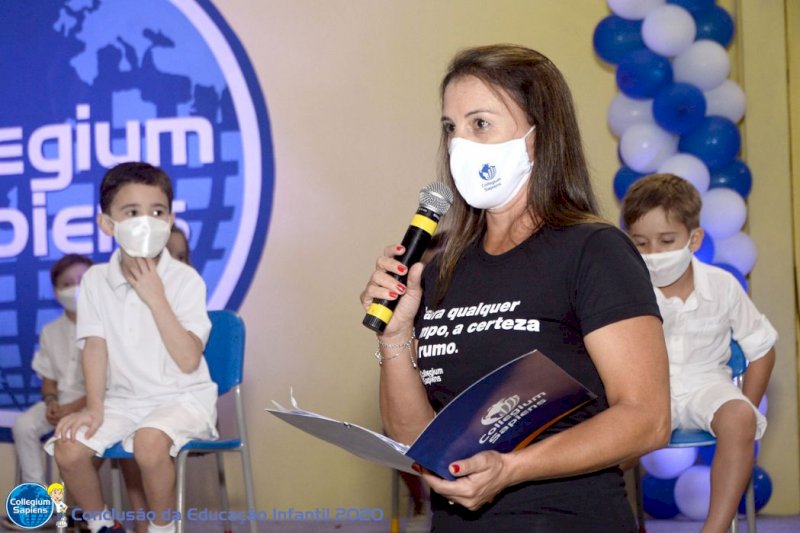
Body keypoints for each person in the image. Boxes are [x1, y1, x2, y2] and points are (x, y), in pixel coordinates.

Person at [360, 44, 670, 531]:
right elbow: (414, 438)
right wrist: (394, 335)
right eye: (451, 128)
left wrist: (512, 469)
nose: (460, 143)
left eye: (479, 123)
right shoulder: (439, 269)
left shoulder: (593, 250)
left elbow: (647, 419)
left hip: (566, 519)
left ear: (537, 136)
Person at [50, 162, 217, 533]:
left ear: (171, 218)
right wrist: (94, 408)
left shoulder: (185, 280)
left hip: (182, 398)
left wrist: (157, 298)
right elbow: (94, 346)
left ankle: (161, 528)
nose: (147, 221)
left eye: (157, 212)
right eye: (131, 212)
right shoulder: (94, 280)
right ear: (108, 224)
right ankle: (101, 524)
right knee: (69, 446)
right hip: (123, 401)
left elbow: (189, 359)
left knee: (149, 441)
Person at [621, 173, 776, 532]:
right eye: (641, 243)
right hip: (646, 391)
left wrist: (747, 409)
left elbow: (762, 348)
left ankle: (716, 527)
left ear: (694, 239)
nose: (654, 254)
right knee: (604, 441)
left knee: (740, 418)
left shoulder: (722, 285)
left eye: (666, 240)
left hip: (708, 384)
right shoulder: (625, 286)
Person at [1, 254, 92, 531]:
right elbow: (48, 379)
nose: (74, 289)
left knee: (73, 438)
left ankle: (78, 510)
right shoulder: (51, 331)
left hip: (97, 404)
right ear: (55, 291)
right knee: (24, 424)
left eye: (82, 281)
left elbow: (106, 385)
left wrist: (74, 408)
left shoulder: (106, 325)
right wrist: (51, 401)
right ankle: (39, 505)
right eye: (67, 283)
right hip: (62, 402)